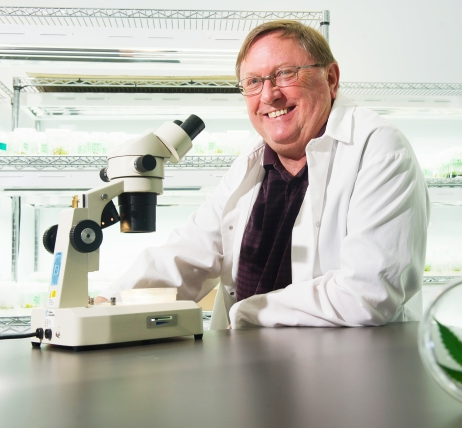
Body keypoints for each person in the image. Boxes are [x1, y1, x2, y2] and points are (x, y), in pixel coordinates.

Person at [97, 20, 430, 329]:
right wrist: (107, 305)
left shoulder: (378, 148)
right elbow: (190, 253)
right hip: (252, 365)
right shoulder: (252, 161)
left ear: (331, 79)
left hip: (345, 369)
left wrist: (248, 312)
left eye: (286, 74)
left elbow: (368, 295)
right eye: (254, 82)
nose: (269, 95)